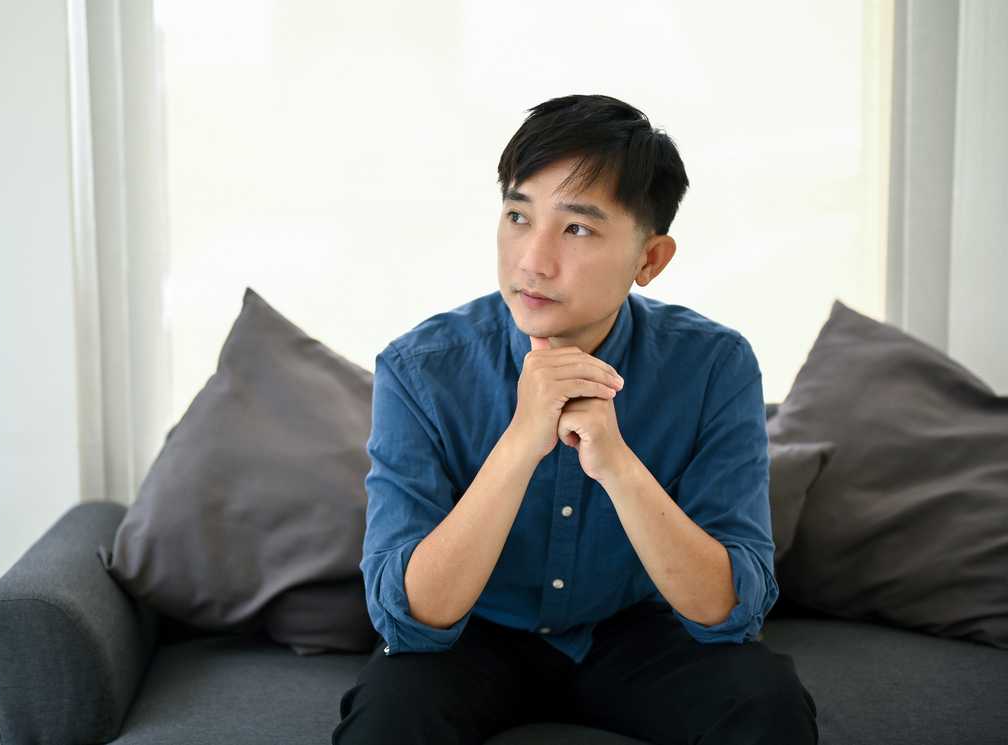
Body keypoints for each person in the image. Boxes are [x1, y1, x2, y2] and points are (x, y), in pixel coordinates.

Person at [333, 93, 818, 745]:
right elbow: (408, 619)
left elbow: (728, 612)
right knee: (386, 723)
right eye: (517, 215)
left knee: (768, 705)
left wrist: (617, 465)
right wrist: (520, 442)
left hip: (636, 629)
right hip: (476, 632)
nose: (531, 260)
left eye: (578, 228)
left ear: (650, 259)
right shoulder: (421, 369)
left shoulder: (714, 366)